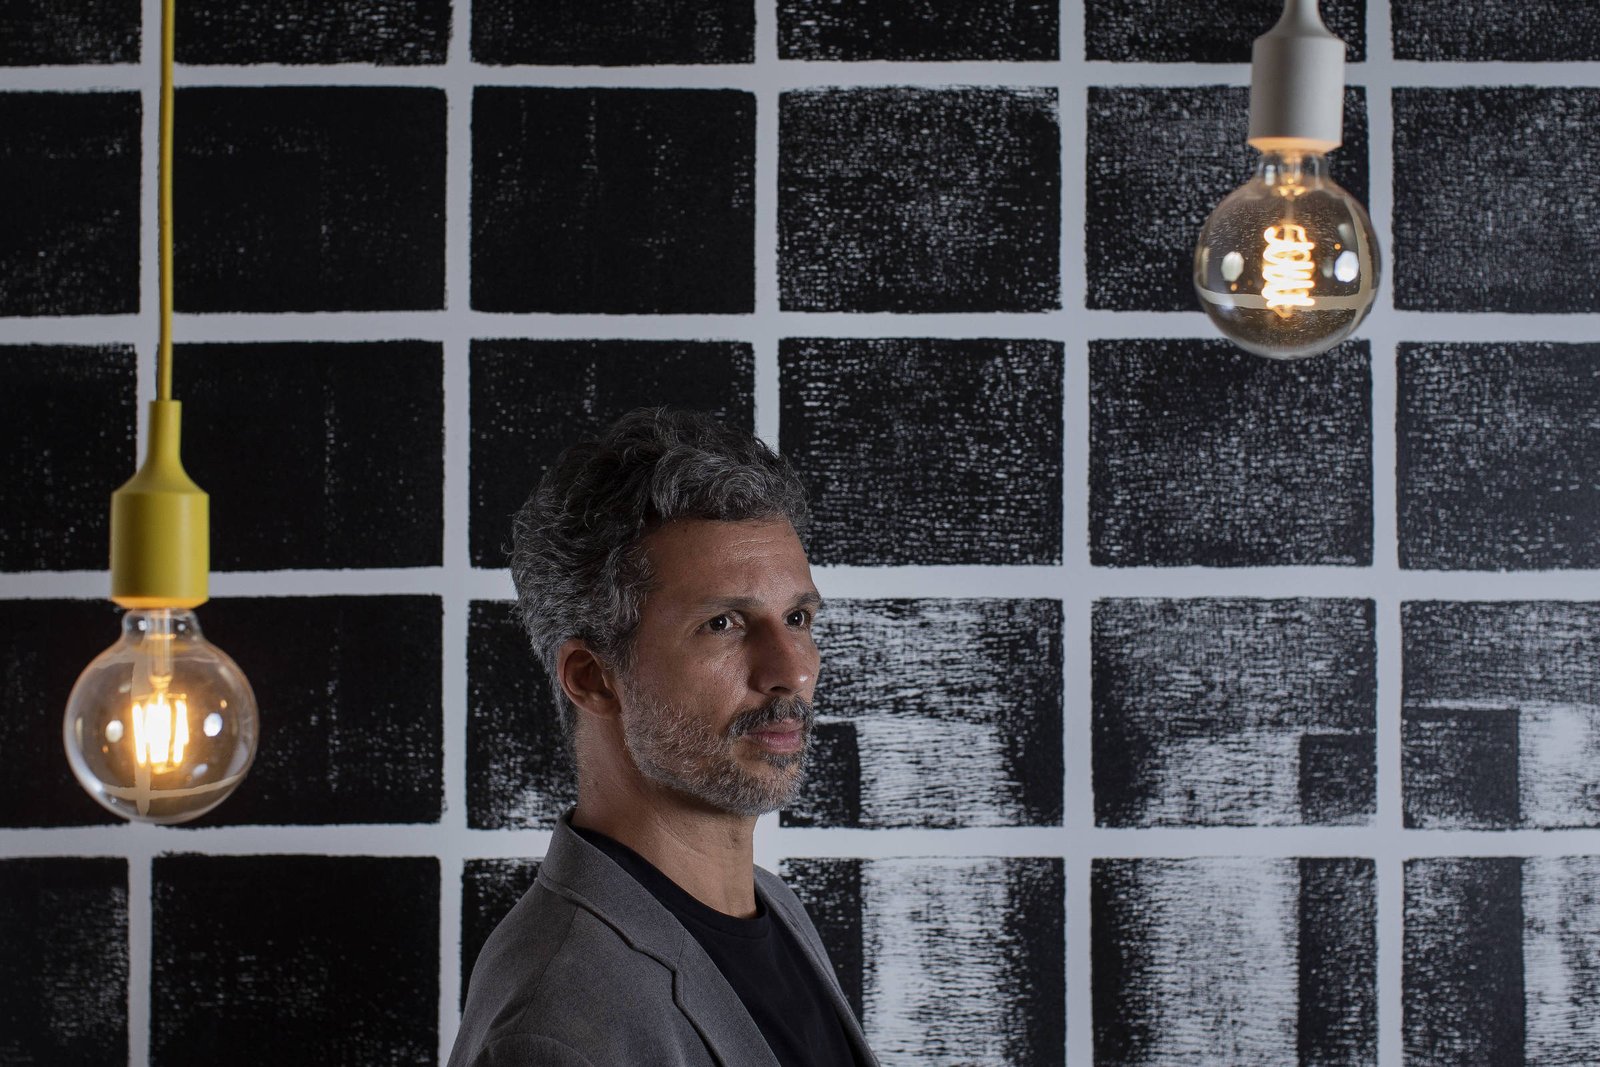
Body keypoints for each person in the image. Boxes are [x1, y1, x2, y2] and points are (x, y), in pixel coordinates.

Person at [449, 408, 876, 1067]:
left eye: (798, 617)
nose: (792, 670)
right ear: (592, 677)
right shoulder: (554, 1026)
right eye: (724, 623)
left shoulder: (775, 907)